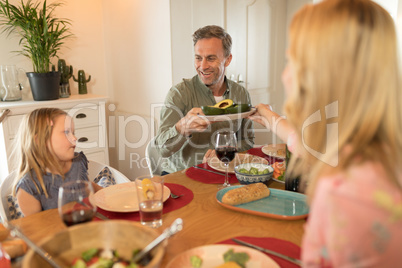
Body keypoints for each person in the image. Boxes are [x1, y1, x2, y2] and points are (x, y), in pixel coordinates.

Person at [250, 0, 402, 266]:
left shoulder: (345, 195)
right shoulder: (373, 148)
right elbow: (306, 144)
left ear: (322, 75)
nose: (285, 75)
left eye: (292, 61)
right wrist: (272, 119)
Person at [155, 25, 254, 174]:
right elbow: (161, 150)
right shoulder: (179, 93)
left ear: (228, 60)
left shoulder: (241, 94)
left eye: (211, 58)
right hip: (182, 176)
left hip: (223, 174)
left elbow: (248, 141)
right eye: (198, 58)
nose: (203, 66)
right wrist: (182, 128)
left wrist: (228, 150)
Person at [11, 108, 102, 216]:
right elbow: (38, 228)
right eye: (66, 132)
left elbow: (90, 188)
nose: (74, 138)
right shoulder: (29, 187)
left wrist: (110, 195)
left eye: (73, 132)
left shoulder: (78, 163)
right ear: (40, 141)